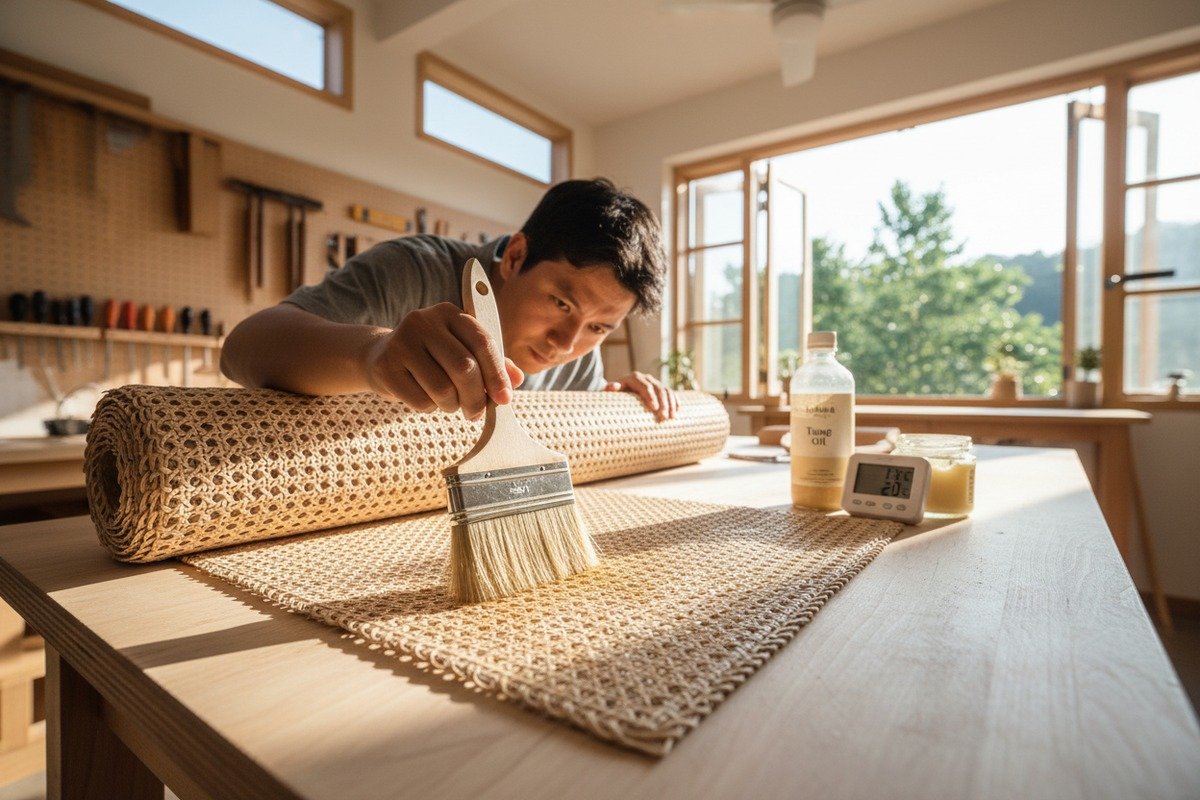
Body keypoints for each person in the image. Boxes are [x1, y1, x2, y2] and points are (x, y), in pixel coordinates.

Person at [221, 178, 678, 421]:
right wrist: (372, 353)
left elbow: (576, 431)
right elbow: (241, 348)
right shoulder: (413, 270)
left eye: (600, 327)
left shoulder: (577, 356)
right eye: (562, 303)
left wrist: (619, 401)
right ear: (516, 256)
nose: (566, 342)